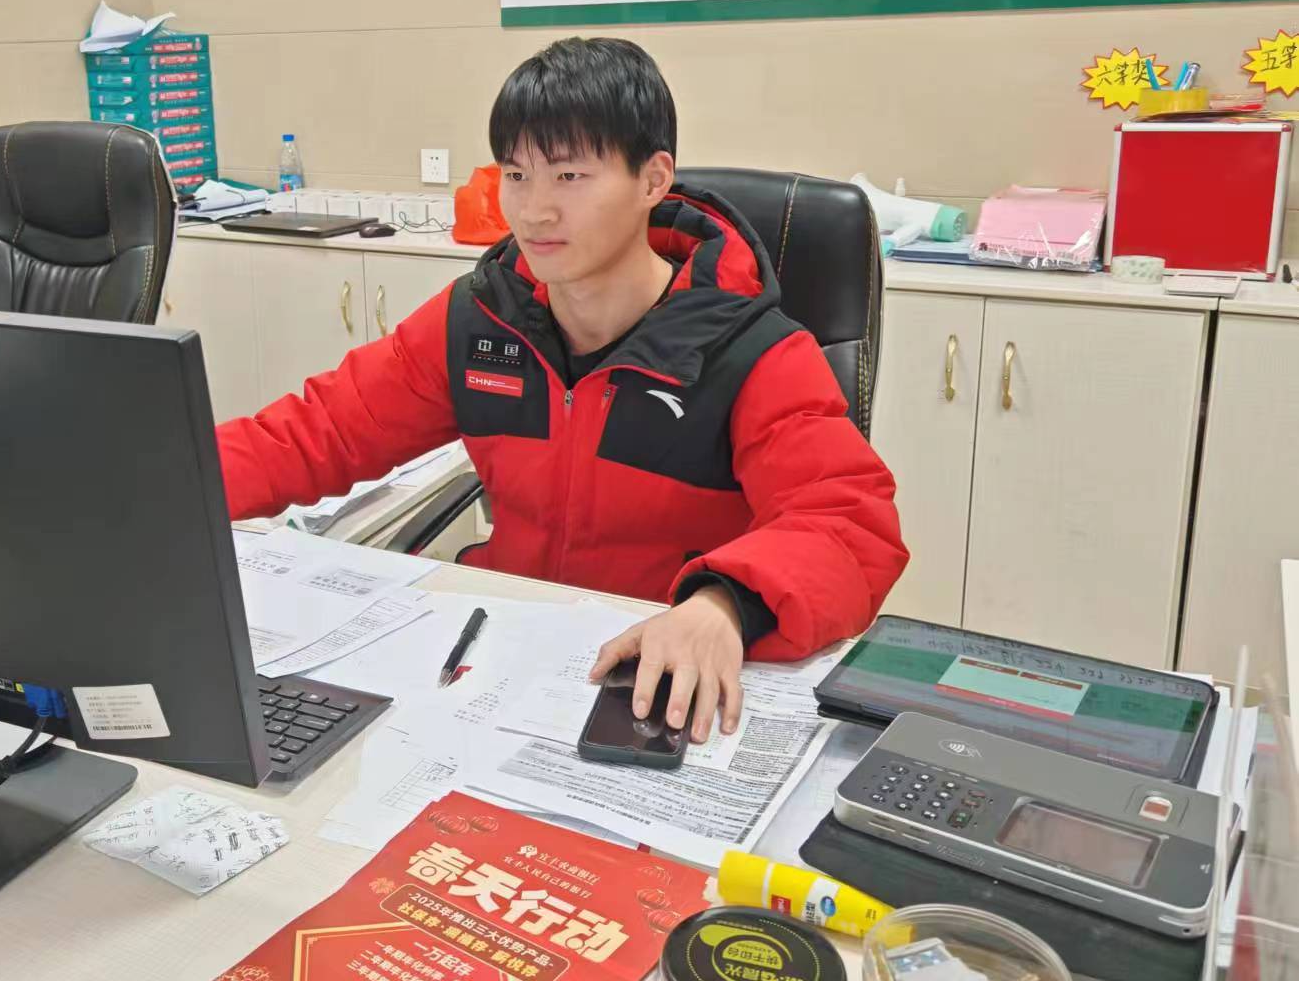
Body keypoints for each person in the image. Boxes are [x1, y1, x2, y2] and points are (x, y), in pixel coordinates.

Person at [216, 37, 907, 744]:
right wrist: (165, 480)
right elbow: (316, 432)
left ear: (653, 180)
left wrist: (723, 605)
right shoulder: (481, 320)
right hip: (497, 663)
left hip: (652, 683)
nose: (535, 211)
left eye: (570, 176)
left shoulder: (748, 351)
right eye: (516, 175)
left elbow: (849, 526)